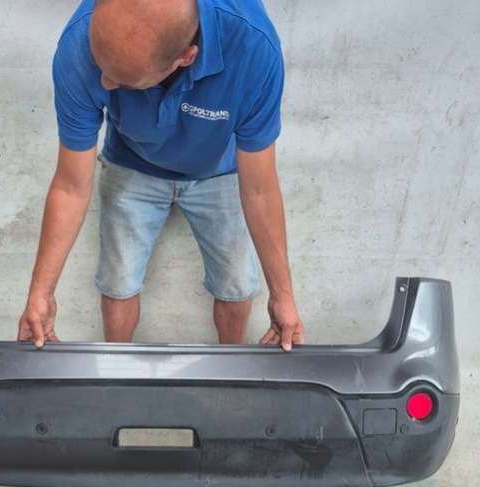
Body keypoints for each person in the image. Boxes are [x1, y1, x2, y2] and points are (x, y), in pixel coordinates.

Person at [18, 0, 304, 349]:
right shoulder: (79, 44)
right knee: (118, 282)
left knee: (237, 285)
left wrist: (283, 297)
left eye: (123, 80)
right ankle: (120, 369)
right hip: (131, 160)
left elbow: (259, 189)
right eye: (102, 67)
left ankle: (229, 365)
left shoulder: (253, 48)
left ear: (186, 57)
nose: (104, 81)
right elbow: (70, 186)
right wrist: (41, 294)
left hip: (221, 167)